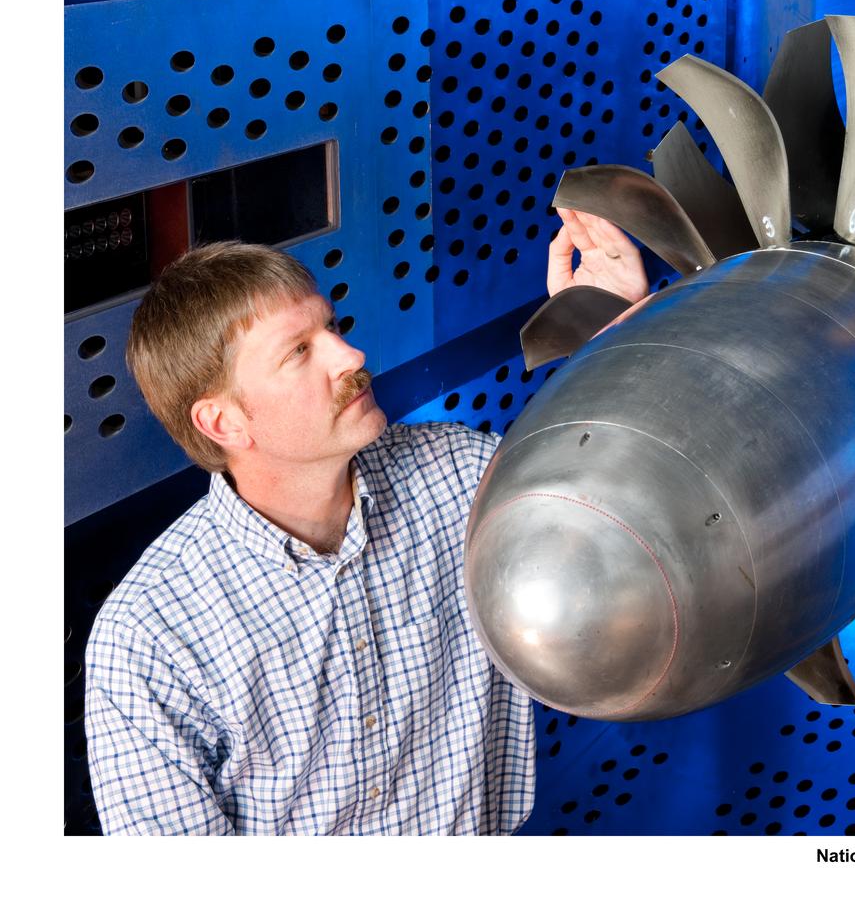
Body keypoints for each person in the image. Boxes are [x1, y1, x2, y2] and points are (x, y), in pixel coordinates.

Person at [84, 207, 647, 835]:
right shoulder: (149, 635)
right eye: (299, 351)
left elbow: (637, 510)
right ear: (224, 422)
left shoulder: (457, 474)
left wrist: (619, 335)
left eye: (330, 326)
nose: (350, 353)